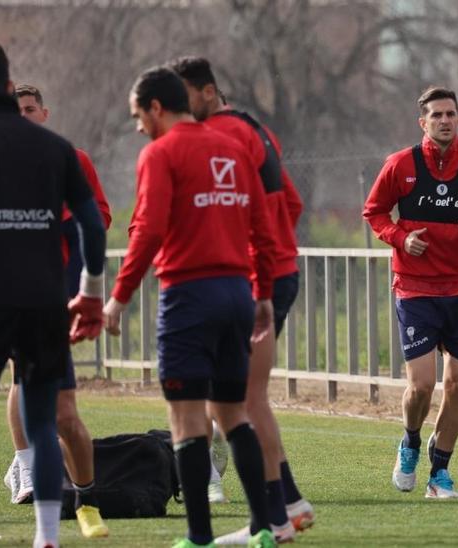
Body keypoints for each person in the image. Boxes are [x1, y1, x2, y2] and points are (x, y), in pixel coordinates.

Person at [103, 66, 281, 548]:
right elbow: (263, 228)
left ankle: (199, 537)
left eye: (138, 115)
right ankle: (265, 528)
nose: (138, 126)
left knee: (186, 420)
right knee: (233, 413)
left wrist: (119, 296)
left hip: (188, 298)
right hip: (237, 293)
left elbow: (151, 229)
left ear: (156, 108)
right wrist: (262, 293)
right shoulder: (234, 147)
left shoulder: (159, 153)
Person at [169, 56, 313, 541]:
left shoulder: (220, 139)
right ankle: (285, 504)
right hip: (271, 271)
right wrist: (275, 250)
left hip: (253, 279)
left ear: (207, 94)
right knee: (245, 400)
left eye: (181, 98)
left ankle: (276, 514)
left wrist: (255, 262)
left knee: (239, 402)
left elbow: (243, 210)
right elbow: (291, 203)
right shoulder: (255, 129)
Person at [0, 42, 107, 548]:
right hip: (44, 299)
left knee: (52, 414)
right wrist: (90, 294)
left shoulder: (64, 150)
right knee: (43, 419)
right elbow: (92, 225)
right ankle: (47, 538)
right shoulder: (54, 148)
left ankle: (76, 503)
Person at [363, 86, 458, 499]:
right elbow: (374, 213)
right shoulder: (400, 164)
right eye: (436, 115)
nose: (444, 121)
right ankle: (409, 440)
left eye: (450, 114)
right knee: (421, 386)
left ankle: (439, 473)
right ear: (422, 122)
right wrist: (400, 238)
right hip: (416, 289)